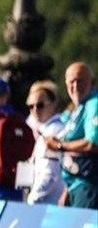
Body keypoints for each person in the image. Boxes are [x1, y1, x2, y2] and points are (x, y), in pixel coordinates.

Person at [47, 62, 97, 209]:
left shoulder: (94, 104)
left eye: (80, 80)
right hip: (75, 185)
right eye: (71, 81)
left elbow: (92, 143)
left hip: (89, 184)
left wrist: (59, 146)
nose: (75, 86)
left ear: (92, 82)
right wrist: (68, 188)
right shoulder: (79, 108)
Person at [25, 80, 68, 205]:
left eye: (40, 105)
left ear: (53, 104)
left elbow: (49, 174)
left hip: (47, 204)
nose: (35, 110)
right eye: (30, 106)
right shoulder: (43, 131)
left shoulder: (53, 132)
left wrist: (32, 200)